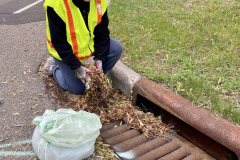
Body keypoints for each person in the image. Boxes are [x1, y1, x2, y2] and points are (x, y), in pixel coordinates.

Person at [43, 0, 122, 94]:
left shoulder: (99, 2)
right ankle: (53, 68)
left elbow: (102, 32)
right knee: (79, 89)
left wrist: (100, 58)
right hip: (64, 53)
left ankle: (92, 77)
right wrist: (77, 67)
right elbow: (59, 43)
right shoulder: (56, 4)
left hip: (86, 45)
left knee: (116, 48)